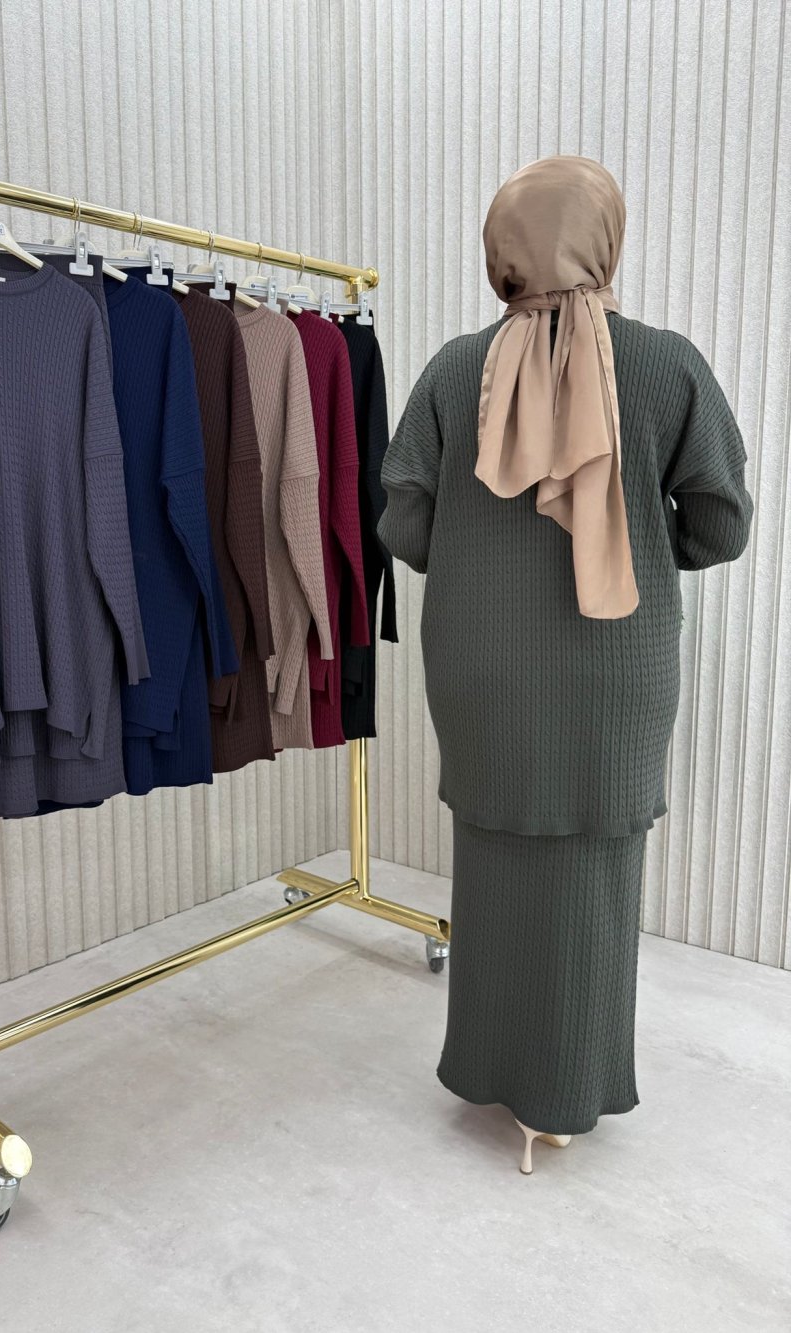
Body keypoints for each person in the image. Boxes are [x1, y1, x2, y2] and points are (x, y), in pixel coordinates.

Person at [378, 156, 753, 1174]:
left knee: (492, 867)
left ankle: (489, 1069)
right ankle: (566, 1092)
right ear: (605, 239)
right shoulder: (667, 365)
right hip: (613, 666)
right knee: (595, 881)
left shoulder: (453, 370)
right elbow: (721, 523)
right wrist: (637, 539)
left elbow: (402, 520)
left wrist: (477, 547)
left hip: (481, 666)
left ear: (500, 251)